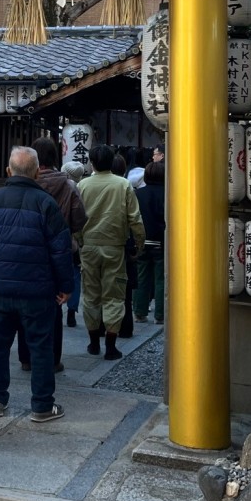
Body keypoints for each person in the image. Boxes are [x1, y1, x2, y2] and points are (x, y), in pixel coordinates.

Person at [0, 146, 74, 423]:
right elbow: (60, 250)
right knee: (41, 345)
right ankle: (42, 405)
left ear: (8, 171)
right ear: (36, 172)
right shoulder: (46, 203)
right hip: (37, 289)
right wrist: (65, 286)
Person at [14, 137, 86, 370]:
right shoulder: (68, 185)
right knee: (54, 308)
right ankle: (52, 359)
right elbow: (79, 220)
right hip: (57, 252)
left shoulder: (22, 183)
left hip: (25, 250)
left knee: (25, 306)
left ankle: (26, 358)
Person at [76, 144, 145, 361]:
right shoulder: (123, 185)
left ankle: (94, 341)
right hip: (115, 246)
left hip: (88, 246)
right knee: (114, 296)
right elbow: (135, 219)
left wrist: (79, 241)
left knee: (90, 295)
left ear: (92, 162)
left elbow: (76, 218)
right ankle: (111, 345)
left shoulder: (82, 185)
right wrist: (139, 244)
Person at [133, 160, 166, 325]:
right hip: (161, 241)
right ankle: (160, 315)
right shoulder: (169, 194)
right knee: (161, 279)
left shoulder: (139, 194)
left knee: (142, 276)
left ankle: (140, 312)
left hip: (142, 240)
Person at [111, 153, 137, 341]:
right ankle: (125, 328)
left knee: (101, 291)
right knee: (124, 292)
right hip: (123, 245)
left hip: (98, 243)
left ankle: (101, 330)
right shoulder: (127, 187)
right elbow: (135, 219)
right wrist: (139, 242)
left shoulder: (86, 185)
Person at [60, 161, 87, 327]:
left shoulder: (62, 186)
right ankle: (72, 310)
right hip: (74, 242)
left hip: (58, 238)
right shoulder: (79, 188)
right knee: (75, 276)